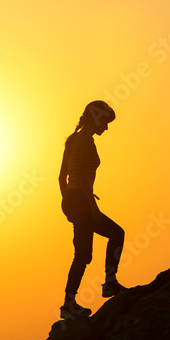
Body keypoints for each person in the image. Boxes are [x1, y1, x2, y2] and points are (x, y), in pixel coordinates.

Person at [57, 100, 127, 320]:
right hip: (81, 200)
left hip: (72, 198)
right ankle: (107, 284)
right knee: (114, 235)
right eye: (105, 122)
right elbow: (83, 180)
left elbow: (62, 177)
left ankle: (71, 301)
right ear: (97, 119)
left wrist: (66, 200)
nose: (105, 128)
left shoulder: (71, 140)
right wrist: (93, 208)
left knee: (84, 254)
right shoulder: (86, 141)